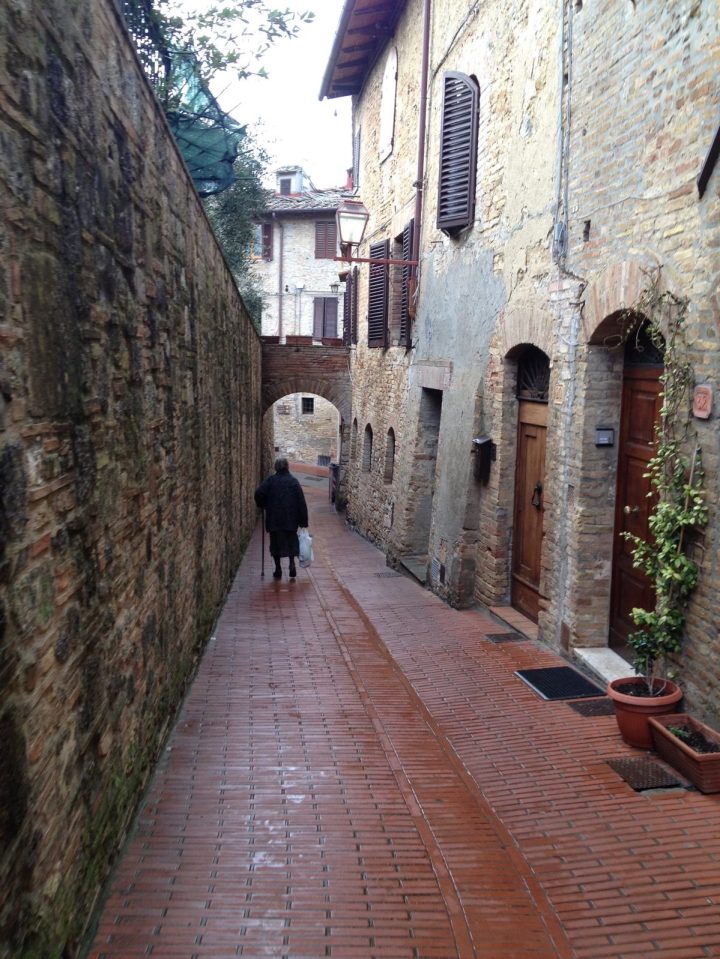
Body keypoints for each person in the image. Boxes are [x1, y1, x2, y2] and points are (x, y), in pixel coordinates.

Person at [254, 458, 309, 579]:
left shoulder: (271, 481)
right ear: (287, 467)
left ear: (276, 467)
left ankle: (278, 568)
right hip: (290, 519)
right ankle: (291, 564)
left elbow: (258, 493)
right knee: (291, 541)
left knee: (275, 544)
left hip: (274, 519)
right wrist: (303, 521)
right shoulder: (293, 482)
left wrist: (263, 503)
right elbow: (301, 502)